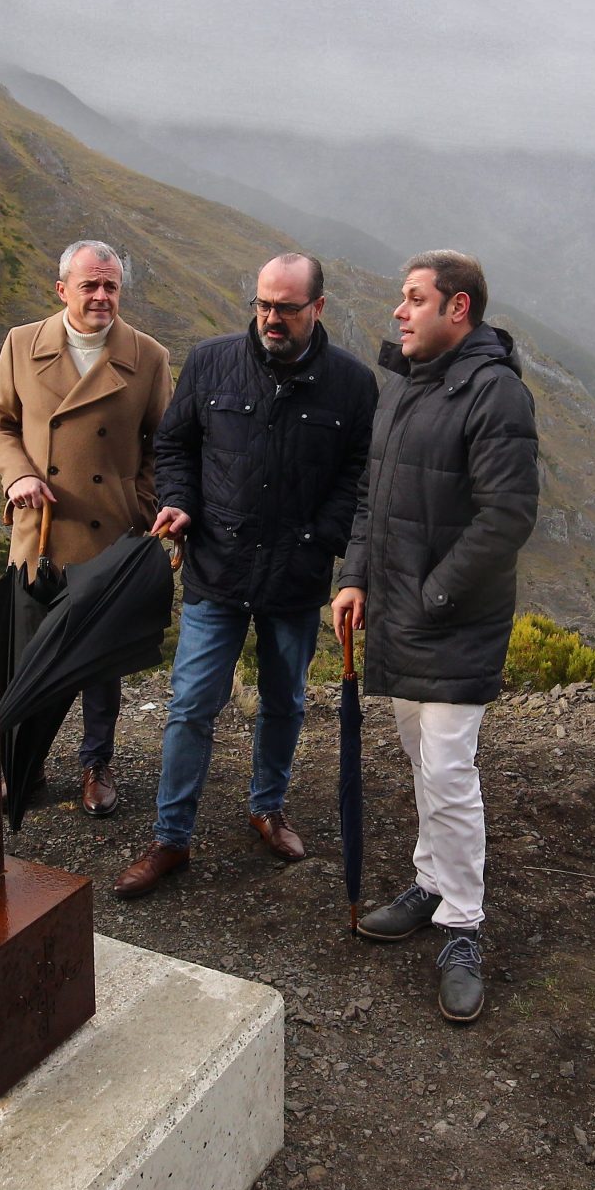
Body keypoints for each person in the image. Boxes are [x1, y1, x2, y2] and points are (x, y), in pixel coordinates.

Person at [113, 254, 378, 898]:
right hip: (217, 566)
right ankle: (170, 839)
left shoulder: (352, 384)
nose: (270, 318)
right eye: (262, 304)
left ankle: (268, 807)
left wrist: (324, 540)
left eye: (286, 307)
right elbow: (175, 446)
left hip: (297, 573)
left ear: (318, 307)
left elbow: (361, 475)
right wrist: (180, 502)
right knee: (190, 707)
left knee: (285, 700)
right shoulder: (209, 362)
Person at [333, 250, 538, 1024]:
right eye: (400, 297)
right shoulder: (405, 389)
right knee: (424, 760)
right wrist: (355, 575)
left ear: (459, 309)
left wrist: (435, 592)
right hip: (399, 615)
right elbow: (369, 500)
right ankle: (430, 878)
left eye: (414, 298)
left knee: (449, 767)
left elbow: (506, 516)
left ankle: (461, 924)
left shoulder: (496, 394)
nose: (398, 311)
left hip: (453, 621)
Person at [0, 238, 170, 817]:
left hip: (110, 531)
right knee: (30, 650)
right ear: (62, 288)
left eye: (110, 285)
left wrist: (138, 504)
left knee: (100, 660)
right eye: (89, 284)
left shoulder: (149, 356)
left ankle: (96, 763)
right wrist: (17, 476)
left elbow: (162, 445)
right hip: (40, 530)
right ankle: (24, 763)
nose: (100, 295)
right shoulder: (22, 344)